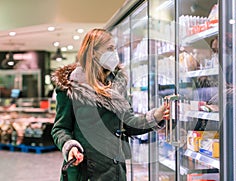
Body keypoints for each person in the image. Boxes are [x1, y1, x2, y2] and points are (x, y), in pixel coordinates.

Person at [51, 28, 168, 181]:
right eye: (110, 49)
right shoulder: (71, 87)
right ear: (93, 52)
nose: (114, 54)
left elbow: (128, 123)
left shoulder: (117, 84)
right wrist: (70, 146)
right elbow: (60, 128)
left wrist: (156, 116)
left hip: (115, 172)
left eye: (115, 48)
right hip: (86, 171)